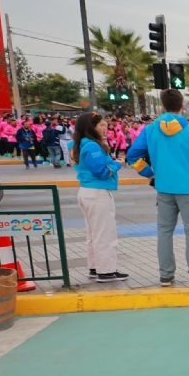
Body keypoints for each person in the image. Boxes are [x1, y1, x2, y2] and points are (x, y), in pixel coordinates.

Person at [125, 88, 189, 286]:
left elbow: (132, 156)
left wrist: (150, 173)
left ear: (162, 106)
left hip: (164, 189)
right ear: (182, 106)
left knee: (164, 231)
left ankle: (166, 275)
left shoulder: (150, 129)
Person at [72, 112, 126, 283]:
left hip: (87, 191)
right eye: (102, 125)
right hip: (97, 192)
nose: (105, 128)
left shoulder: (81, 144)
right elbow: (102, 172)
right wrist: (117, 164)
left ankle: (96, 267)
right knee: (105, 233)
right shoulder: (93, 146)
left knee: (93, 233)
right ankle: (107, 271)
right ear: (91, 127)